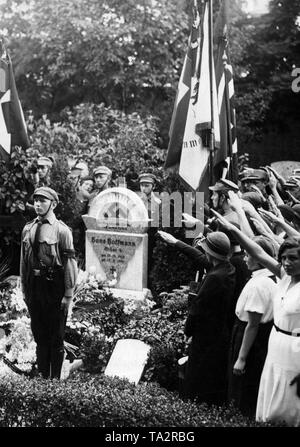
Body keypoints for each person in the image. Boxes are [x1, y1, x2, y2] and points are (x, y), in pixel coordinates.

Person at [213, 209, 300, 426]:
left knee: (289, 405)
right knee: (270, 402)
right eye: (284, 258)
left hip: (295, 349)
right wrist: (234, 229)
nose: (287, 263)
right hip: (275, 343)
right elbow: (259, 253)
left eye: (294, 259)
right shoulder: (282, 277)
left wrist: (282, 223)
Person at [159, 230, 236, 405]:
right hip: (219, 332)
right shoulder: (228, 268)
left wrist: (187, 331)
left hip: (206, 335)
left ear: (209, 252)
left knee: (198, 375)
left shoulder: (214, 277)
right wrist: (175, 242)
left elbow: (197, 308)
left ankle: (193, 406)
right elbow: (199, 258)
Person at [20, 187, 78, 379]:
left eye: (42, 201)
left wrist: (68, 294)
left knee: (56, 337)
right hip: (35, 287)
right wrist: (25, 290)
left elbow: (70, 264)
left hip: (54, 286)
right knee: (39, 335)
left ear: (53, 204)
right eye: (36, 200)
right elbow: (23, 262)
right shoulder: (28, 228)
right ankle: (43, 379)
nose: (38, 204)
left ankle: (54, 381)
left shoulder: (62, 231)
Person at [228, 236, 276, 417]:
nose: (245, 258)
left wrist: (241, 358)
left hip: (248, 336)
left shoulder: (260, 285)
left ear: (259, 257)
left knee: (241, 385)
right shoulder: (265, 278)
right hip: (250, 333)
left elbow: (253, 325)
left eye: (248, 255)